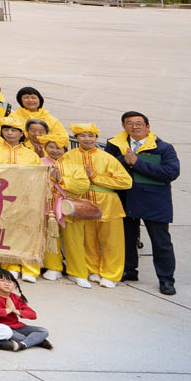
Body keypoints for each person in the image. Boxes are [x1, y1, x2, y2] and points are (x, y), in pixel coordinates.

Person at [106, 110, 178, 295]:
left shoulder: (163, 148)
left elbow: (170, 173)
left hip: (153, 201)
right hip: (125, 199)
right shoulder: (115, 145)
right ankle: (129, 270)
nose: (134, 126)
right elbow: (106, 168)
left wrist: (137, 162)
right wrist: (124, 159)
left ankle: (166, 279)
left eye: (139, 123)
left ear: (147, 127)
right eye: (129, 123)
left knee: (160, 242)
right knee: (127, 239)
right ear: (124, 127)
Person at [60, 121, 132, 288]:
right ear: (77, 138)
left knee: (112, 242)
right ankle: (92, 270)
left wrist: (95, 177)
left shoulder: (107, 158)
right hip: (81, 202)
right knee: (88, 239)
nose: (87, 139)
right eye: (83, 135)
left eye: (91, 135)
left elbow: (126, 182)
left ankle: (111, 274)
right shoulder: (69, 156)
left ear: (96, 138)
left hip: (108, 204)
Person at [0, 266, 51, 351]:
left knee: (43, 331)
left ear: (14, 284)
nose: (7, 284)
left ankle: (23, 344)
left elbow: (33, 314)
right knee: (18, 336)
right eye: (2, 280)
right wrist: (8, 310)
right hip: (0, 327)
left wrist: (15, 311)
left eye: (10, 281)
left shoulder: (16, 297)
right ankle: (34, 341)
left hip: (16, 326)